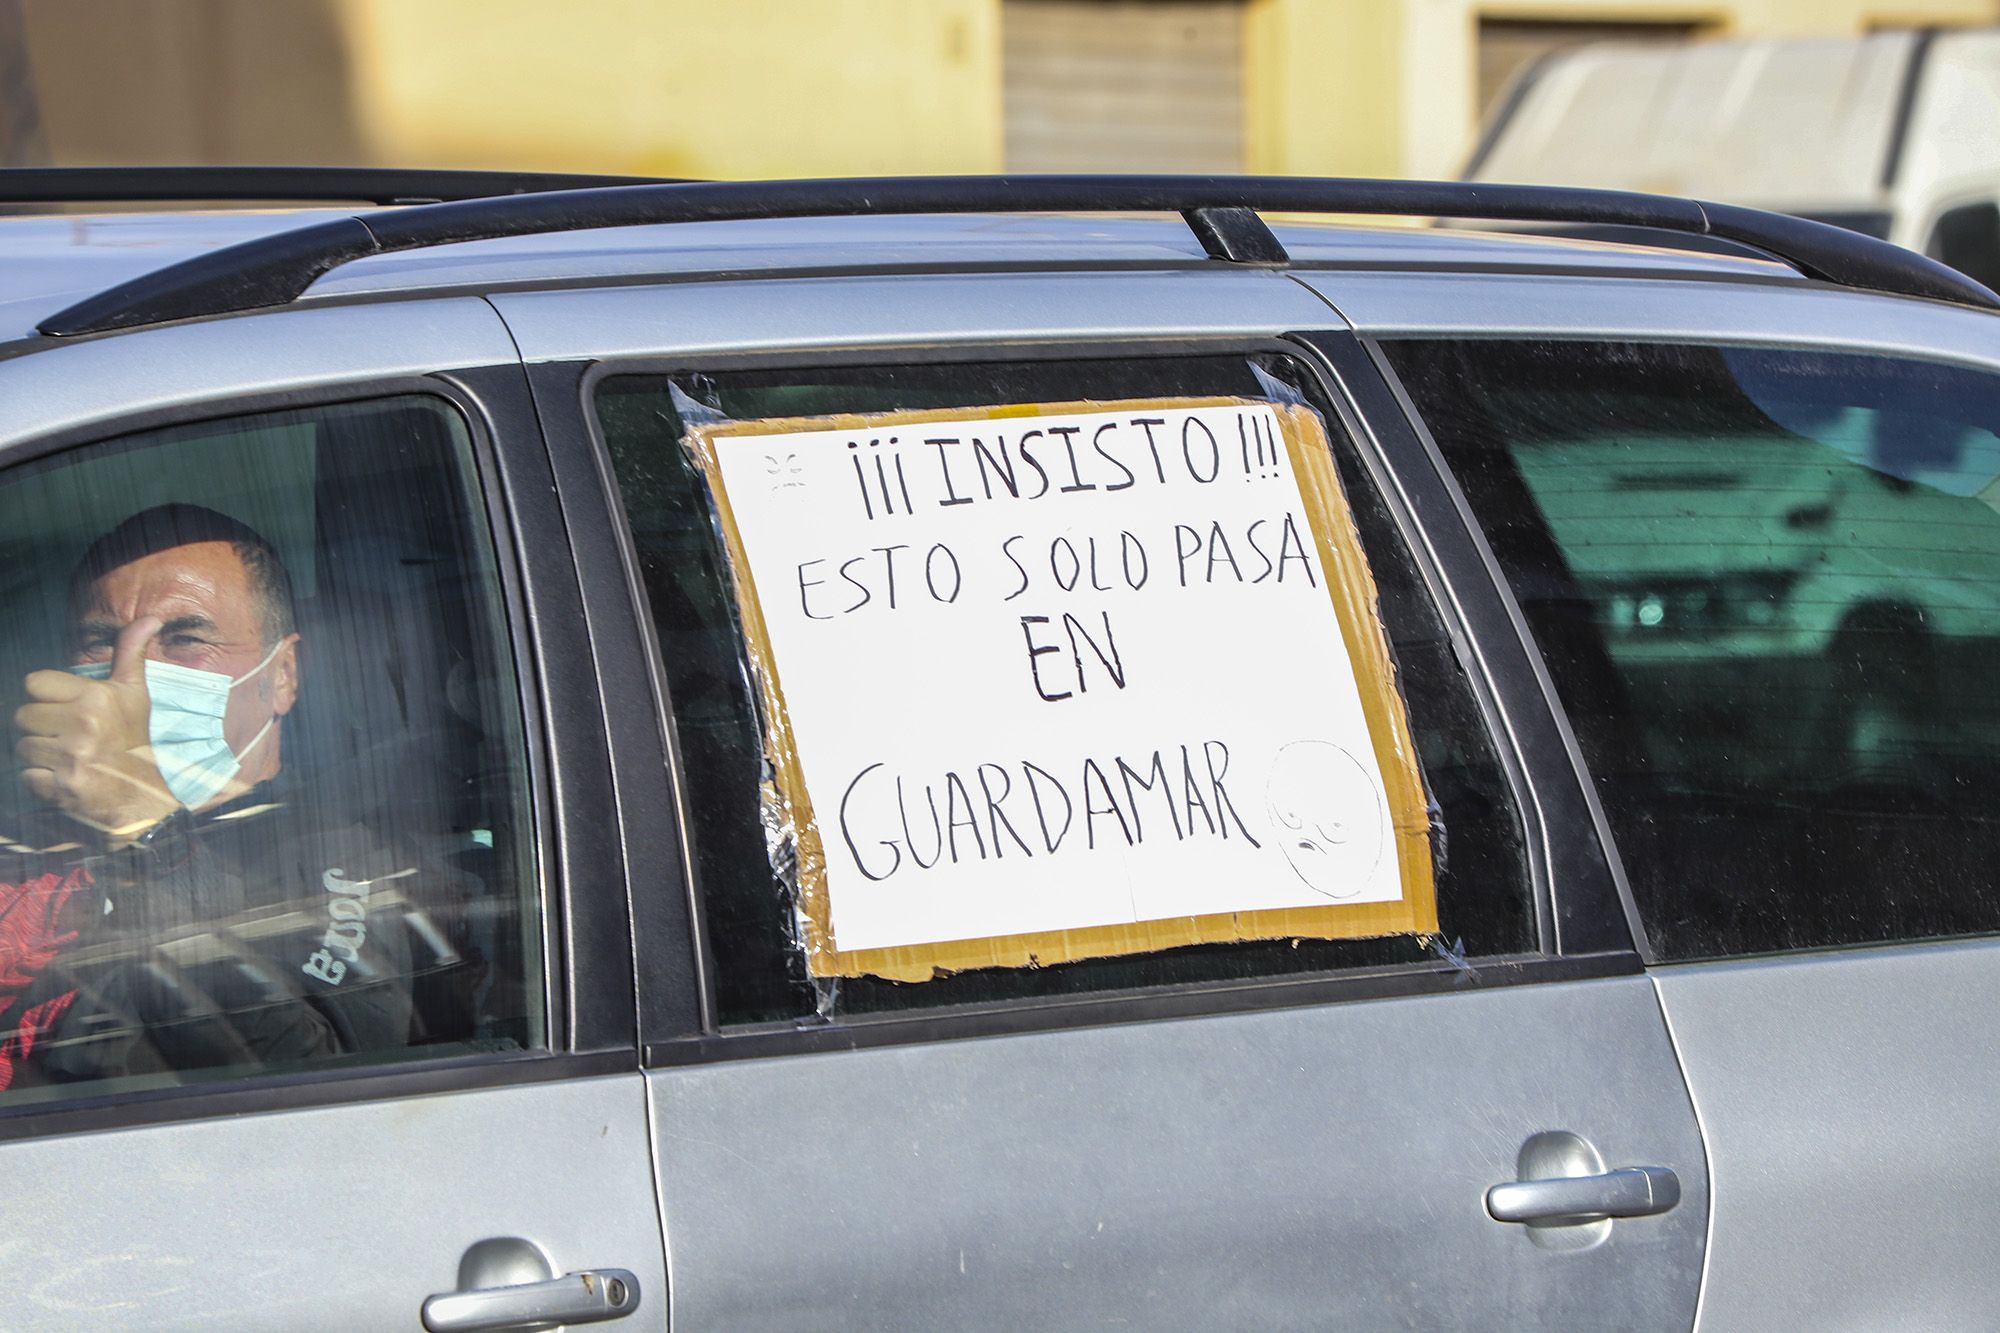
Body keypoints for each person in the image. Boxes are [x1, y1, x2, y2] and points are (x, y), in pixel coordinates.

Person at [0, 504, 473, 1091]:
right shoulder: (21, 841)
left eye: (184, 638)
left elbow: (319, 1085)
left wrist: (143, 826)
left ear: (283, 674)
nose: (135, 672)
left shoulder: (340, 860)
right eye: (103, 641)